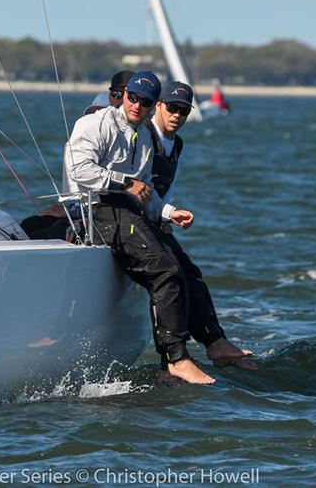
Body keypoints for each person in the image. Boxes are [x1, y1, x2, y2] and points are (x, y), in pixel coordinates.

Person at [63, 73, 254, 384]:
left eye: (145, 102)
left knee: (186, 271)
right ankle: (174, 360)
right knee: (165, 271)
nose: (138, 105)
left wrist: (169, 211)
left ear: (152, 106)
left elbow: (146, 191)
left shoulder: (142, 140)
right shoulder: (97, 124)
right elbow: (78, 169)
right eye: (133, 98)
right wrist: (124, 182)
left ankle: (215, 343)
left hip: (131, 214)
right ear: (124, 96)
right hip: (101, 212)